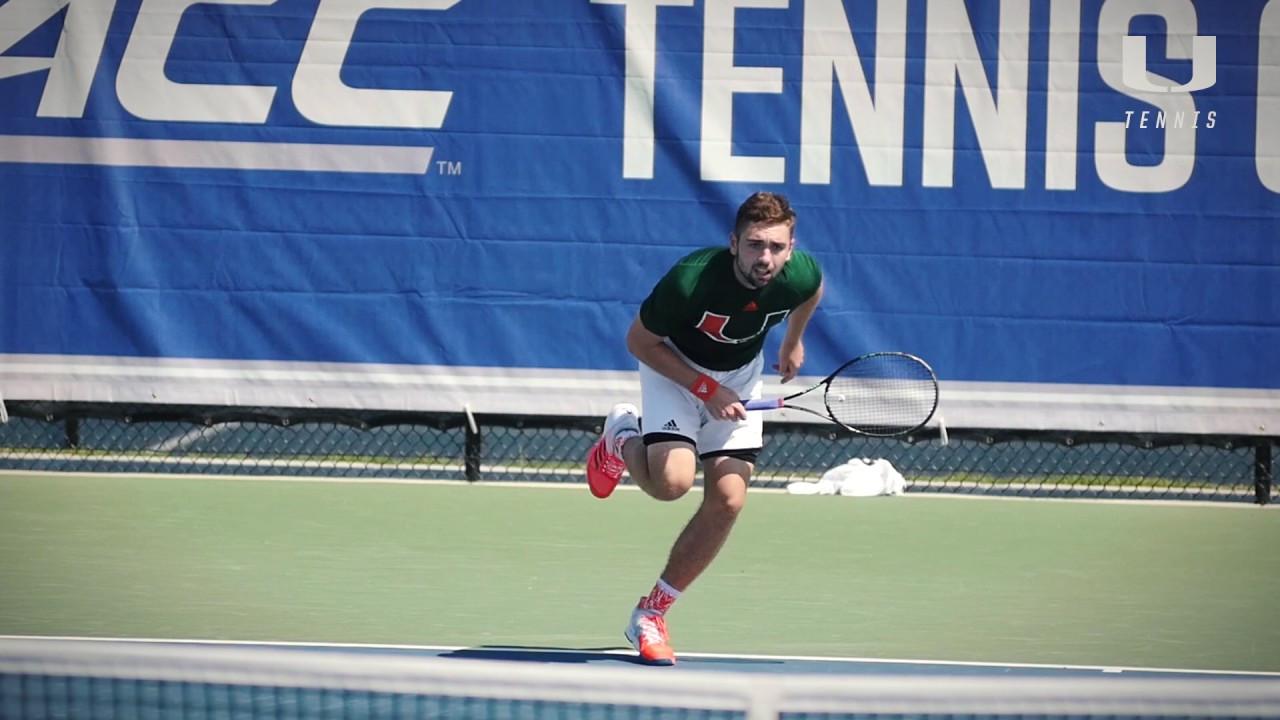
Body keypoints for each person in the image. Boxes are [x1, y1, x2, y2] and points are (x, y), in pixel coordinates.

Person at [585, 191, 824, 666]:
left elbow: (812, 292)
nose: (766, 258)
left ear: (791, 247)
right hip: (673, 368)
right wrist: (705, 390)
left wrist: (792, 342)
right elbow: (638, 341)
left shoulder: (800, 275)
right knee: (672, 483)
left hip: (739, 376)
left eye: (777, 247)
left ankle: (651, 614)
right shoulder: (690, 281)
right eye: (756, 245)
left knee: (729, 499)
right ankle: (621, 438)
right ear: (733, 243)